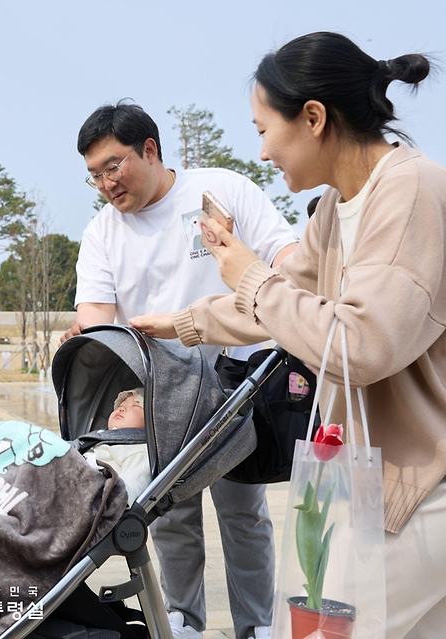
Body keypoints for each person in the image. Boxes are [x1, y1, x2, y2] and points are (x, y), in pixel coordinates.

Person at [130, 32, 445, 639]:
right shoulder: (337, 207)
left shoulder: (410, 191)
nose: (264, 151)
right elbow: (279, 302)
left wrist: (247, 273)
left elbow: (363, 344)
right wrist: (183, 324)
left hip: (419, 487)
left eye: (262, 129)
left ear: (314, 118)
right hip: (367, 480)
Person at [63, 101, 298, 639]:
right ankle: (184, 620)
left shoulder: (220, 190)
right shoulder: (102, 232)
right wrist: (84, 334)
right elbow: (96, 317)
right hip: (158, 389)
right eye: (94, 175)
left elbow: (285, 254)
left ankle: (258, 625)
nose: (105, 183)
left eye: (113, 166)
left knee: (243, 511)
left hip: (238, 381)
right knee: (168, 514)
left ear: (150, 149)